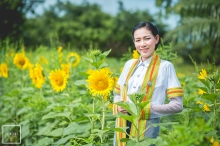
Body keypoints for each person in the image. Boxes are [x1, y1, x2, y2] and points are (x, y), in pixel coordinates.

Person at [112, 22, 184, 146]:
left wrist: (146, 110)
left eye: (147, 38)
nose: (142, 44)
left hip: (148, 127)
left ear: (156, 39)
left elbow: (177, 105)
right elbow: (117, 93)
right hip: (123, 124)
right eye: (138, 40)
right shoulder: (129, 64)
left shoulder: (165, 66)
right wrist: (118, 106)